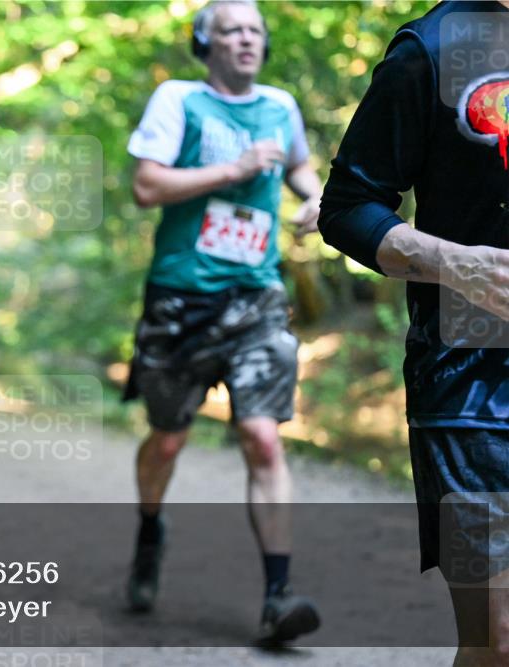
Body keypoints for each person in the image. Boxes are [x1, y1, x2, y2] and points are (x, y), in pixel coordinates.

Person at [123, 0, 324, 643]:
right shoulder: (178, 101)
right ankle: (151, 528)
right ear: (204, 43)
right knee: (168, 440)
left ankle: (278, 596)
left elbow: (298, 166)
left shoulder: (281, 106)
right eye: (231, 29)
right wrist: (230, 171)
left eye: (255, 31)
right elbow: (146, 186)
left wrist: (316, 199)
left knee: (263, 437)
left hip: (256, 296)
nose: (246, 39)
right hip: (180, 299)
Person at [318, 2, 508, 662]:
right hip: (469, 387)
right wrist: (455, 263)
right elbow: (346, 209)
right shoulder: (430, 48)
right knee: (498, 639)